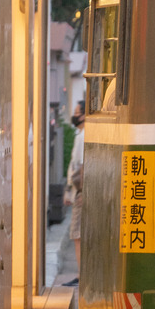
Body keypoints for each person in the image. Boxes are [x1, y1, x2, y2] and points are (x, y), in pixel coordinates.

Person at [63, 99, 86, 284]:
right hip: (82, 190)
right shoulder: (84, 134)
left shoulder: (82, 136)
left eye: (77, 111)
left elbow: (78, 166)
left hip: (81, 191)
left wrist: (73, 191)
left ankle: (81, 274)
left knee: (77, 234)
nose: (75, 115)